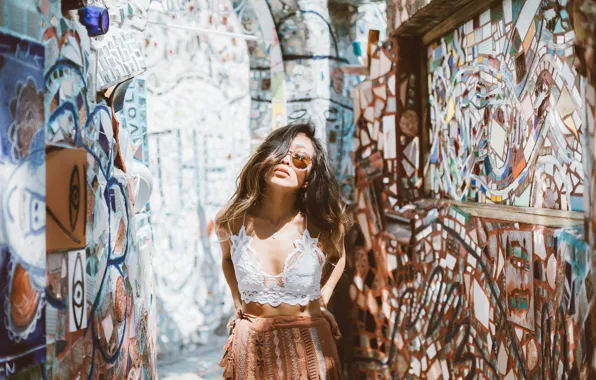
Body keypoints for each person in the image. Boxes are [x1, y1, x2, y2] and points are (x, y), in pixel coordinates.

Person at [215, 122, 351, 379]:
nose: (287, 161)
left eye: (300, 158)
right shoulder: (230, 219)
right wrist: (237, 301)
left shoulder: (323, 223)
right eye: (280, 152)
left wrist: (325, 294)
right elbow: (226, 259)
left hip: (311, 345)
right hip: (252, 346)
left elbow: (339, 256)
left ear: (308, 177)